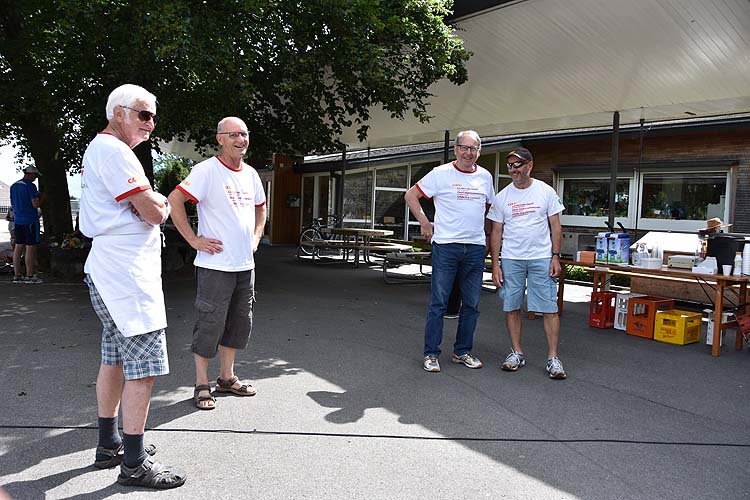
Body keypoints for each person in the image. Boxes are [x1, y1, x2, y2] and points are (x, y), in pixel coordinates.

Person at [79, 84, 186, 489]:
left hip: (109, 269)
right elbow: (154, 210)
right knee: (143, 367)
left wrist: (151, 200)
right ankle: (135, 464)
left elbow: (146, 205)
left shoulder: (100, 149)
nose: (151, 123)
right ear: (118, 113)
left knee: (115, 357)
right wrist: (156, 201)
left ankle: (109, 443)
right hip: (126, 275)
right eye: (144, 114)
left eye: (153, 115)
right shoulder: (115, 151)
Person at [168, 116, 267, 410]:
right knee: (210, 323)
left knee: (239, 322)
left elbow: (261, 209)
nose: (241, 140)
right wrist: (193, 240)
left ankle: (227, 378)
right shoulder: (206, 171)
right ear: (220, 139)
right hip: (215, 266)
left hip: (244, 266)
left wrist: (257, 237)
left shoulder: (250, 174)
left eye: (245, 134)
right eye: (234, 135)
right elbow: (174, 200)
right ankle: (201, 383)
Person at [405, 130, 494, 373]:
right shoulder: (441, 173)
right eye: (464, 148)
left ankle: (462, 351)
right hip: (446, 246)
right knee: (439, 303)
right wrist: (424, 222)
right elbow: (411, 195)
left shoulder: (485, 177)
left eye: (473, 148)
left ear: (479, 151)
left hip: (475, 248)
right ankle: (431, 353)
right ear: (456, 149)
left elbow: (490, 210)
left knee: (472, 304)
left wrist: (488, 238)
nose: (468, 152)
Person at [487, 147, 567, 379]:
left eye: (518, 165)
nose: (513, 170)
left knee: (549, 308)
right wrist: (495, 264)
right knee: (512, 307)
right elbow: (496, 233)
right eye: (510, 166)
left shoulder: (546, 192)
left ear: (529, 165)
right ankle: (517, 353)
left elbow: (556, 226)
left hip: (542, 258)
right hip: (512, 259)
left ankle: (553, 358)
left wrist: (555, 256)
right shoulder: (502, 197)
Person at [10, 166, 43, 283]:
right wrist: (40, 197)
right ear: (30, 174)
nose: (35, 178)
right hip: (30, 220)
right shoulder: (31, 186)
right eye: (35, 176)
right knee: (30, 246)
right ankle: (30, 275)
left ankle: (17, 275)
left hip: (18, 220)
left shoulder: (14, 186)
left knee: (18, 247)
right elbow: (35, 204)